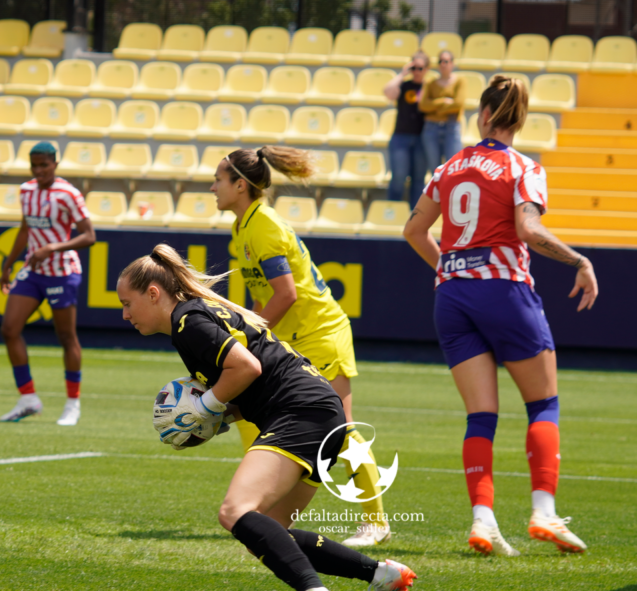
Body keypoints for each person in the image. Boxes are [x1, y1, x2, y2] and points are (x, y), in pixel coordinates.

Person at [115, 245, 417, 591]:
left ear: (153, 294)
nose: (125, 315)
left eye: (127, 303)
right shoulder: (197, 314)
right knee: (269, 533)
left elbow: (247, 367)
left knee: (234, 511)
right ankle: (382, 574)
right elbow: (252, 382)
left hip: (301, 411)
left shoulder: (187, 322)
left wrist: (202, 407)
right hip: (320, 411)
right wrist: (213, 421)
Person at [402, 75, 597, 557]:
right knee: (543, 404)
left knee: (481, 415)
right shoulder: (522, 167)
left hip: (452, 297)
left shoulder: (448, 167)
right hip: (505, 292)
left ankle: (484, 521)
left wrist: (449, 265)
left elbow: (413, 229)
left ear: (483, 114)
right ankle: (544, 511)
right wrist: (579, 261)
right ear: (519, 118)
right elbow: (528, 230)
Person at [211, 146, 392, 547]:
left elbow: (286, 294)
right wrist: (250, 340)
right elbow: (263, 296)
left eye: (219, 180)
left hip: (321, 334)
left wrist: (255, 336)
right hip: (293, 340)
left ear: (240, 185)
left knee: (340, 432)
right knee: (255, 414)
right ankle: (260, 512)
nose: (213, 187)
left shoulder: (263, 227)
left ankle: (376, 523)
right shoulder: (242, 228)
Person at [0, 142, 96, 426]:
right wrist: (8, 263)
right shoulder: (26, 190)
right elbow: (26, 228)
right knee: (9, 329)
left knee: (66, 337)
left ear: (55, 164)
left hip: (62, 271)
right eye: (34, 166)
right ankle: (28, 398)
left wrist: (52, 248)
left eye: (44, 165)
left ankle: (72, 405)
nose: (39, 170)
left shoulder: (69, 194)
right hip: (33, 269)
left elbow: (89, 236)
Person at [384, 52, 428, 205]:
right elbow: (388, 92)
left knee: (418, 179)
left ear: (427, 69)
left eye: (420, 68)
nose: (417, 71)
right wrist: (402, 74)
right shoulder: (404, 85)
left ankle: (414, 217)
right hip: (401, 137)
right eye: (414, 68)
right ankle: (392, 211)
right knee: (398, 177)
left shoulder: (429, 87)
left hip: (422, 139)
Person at [419, 50, 465, 173]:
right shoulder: (430, 83)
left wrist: (435, 108)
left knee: (453, 169)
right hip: (431, 128)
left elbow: (458, 104)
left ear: (452, 63)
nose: (443, 64)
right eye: (440, 61)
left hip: (452, 126)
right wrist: (444, 101)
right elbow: (423, 105)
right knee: (435, 171)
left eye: (446, 61)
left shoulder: (460, 81)